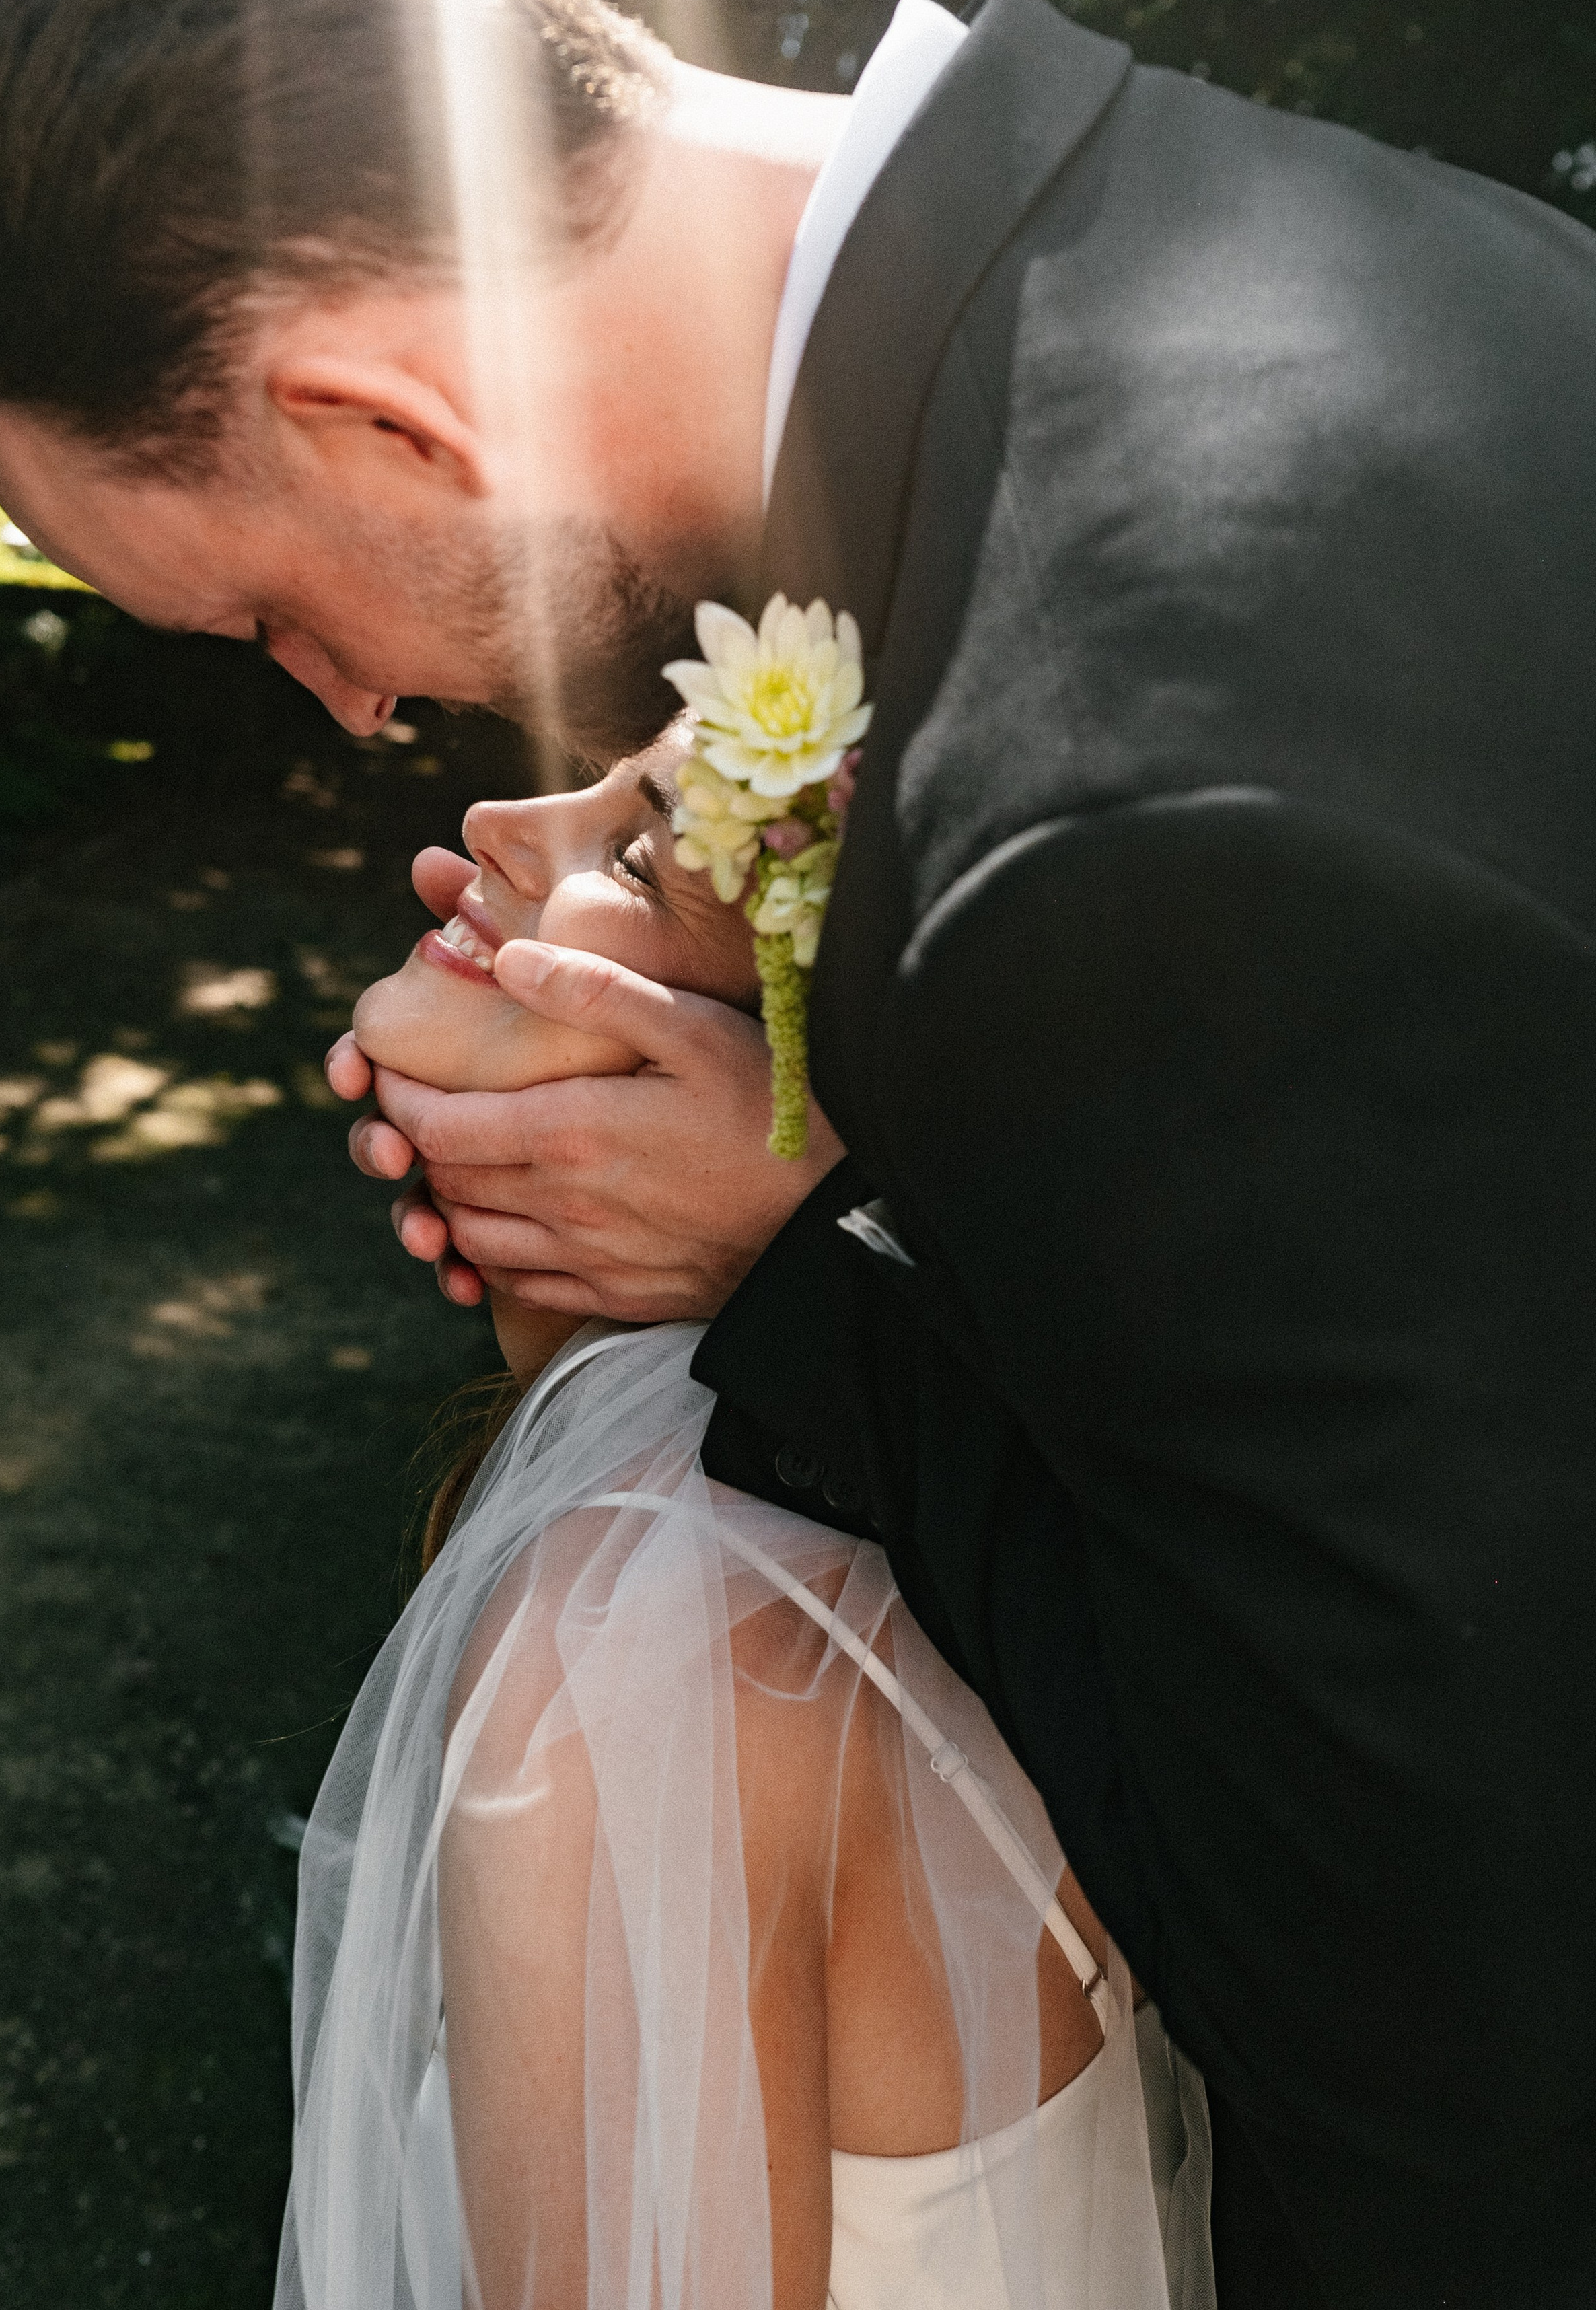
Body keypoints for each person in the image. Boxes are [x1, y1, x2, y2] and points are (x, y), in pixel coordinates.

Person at [0, 0, 1596, 2306]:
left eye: (261, 610)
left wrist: (797, 1282)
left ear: (386, 419)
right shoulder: (1307, 241)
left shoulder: (1109, 818)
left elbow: (1434, 2017)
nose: (355, 702)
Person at [281, 737, 1211, 2309]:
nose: (488, 825)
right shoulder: (984, 1504)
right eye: (586, 775)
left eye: (638, 862)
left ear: (758, 1094)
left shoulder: (638, 1662)